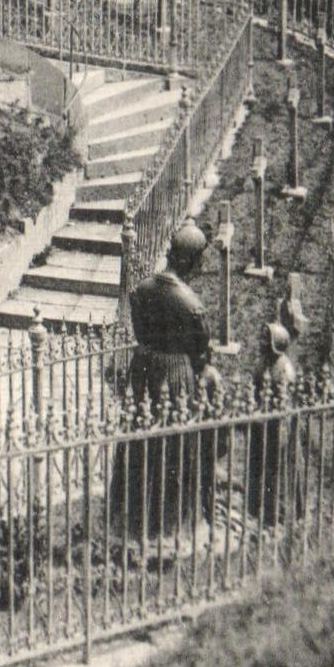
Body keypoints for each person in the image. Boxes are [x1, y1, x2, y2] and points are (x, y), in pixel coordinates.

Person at [111, 221, 214, 540]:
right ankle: (171, 522)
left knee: (142, 439)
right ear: (190, 260)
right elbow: (201, 351)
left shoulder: (142, 290)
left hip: (144, 370)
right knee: (174, 446)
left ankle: (132, 514)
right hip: (176, 375)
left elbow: (141, 332)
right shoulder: (191, 304)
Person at [246, 321, 298, 529]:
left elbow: (285, 399)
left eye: (266, 340)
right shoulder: (263, 363)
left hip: (278, 425)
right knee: (259, 465)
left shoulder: (284, 367)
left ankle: (277, 513)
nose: (262, 344)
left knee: (277, 469)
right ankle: (257, 507)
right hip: (262, 422)